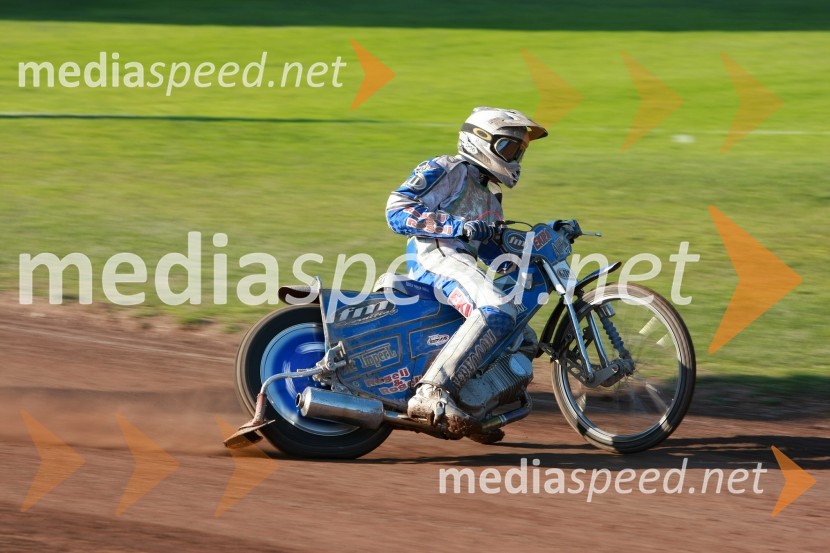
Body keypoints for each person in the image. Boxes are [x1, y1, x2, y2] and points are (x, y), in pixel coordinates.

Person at [385, 106, 548, 436]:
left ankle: (476, 409)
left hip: (462, 268)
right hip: (435, 260)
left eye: (519, 151)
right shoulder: (447, 169)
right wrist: (457, 225)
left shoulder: (491, 199)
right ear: (480, 141)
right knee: (498, 310)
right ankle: (431, 394)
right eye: (509, 148)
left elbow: (491, 250)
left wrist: (536, 245)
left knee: (524, 337)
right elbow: (397, 209)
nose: (515, 157)